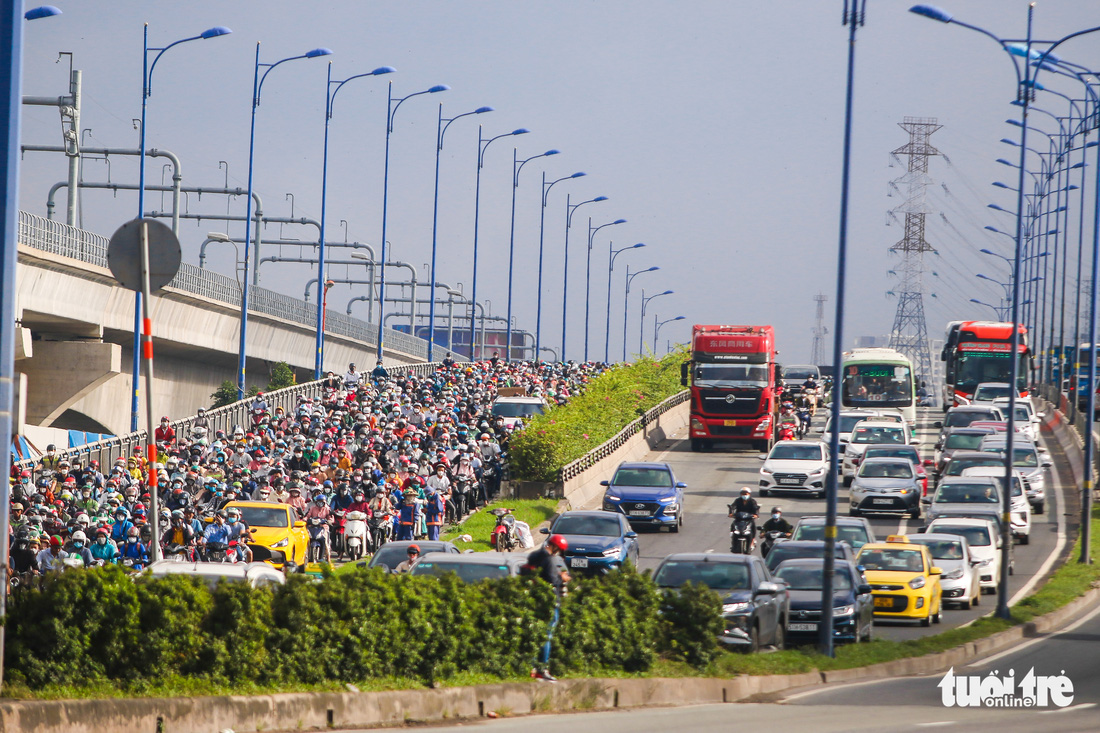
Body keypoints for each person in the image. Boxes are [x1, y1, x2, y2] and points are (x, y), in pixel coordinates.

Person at [525, 534, 571, 682]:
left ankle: (531, 667)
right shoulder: (550, 559)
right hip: (550, 601)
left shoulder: (535, 555)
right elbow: (552, 579)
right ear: (557, 548)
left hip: (535, 599)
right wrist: (561, 577)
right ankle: (542, 668)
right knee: (547, 635)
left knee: (535, 633)